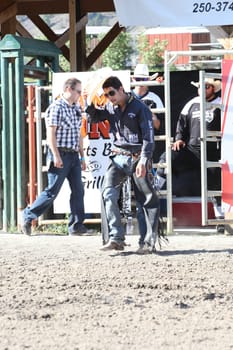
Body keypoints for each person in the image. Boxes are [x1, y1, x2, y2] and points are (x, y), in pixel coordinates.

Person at [86, 76, 160, 252]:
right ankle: (116, 238)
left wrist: (144, 160)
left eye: (111, 93)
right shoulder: (111, 107)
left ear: (121, 89)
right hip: (119, 156)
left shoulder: (140, 107)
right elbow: (94, 118)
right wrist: (89, 100)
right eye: (106, 94)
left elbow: (149, 137)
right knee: (108, 193)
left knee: (145, 200)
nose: (109, 97)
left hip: (137, 157)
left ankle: (147, 242)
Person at [21, 77, 87, 236]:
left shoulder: (75, 107)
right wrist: (56, 155)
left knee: (78, 190)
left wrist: (82, 157)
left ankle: (76, 226)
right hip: (61, 153)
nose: (80, 94)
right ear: (69, 89)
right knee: (52, 191)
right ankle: (28, 215)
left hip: (72, 155)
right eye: (78, 91)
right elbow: (51, 134)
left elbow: (78, 134)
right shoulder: (56, 107)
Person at [156, 78, 222, 202]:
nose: (202, 89)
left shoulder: (221, 104)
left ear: (213, 89)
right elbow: (181, 123)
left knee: (215, 185)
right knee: (168, 157)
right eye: (200, 86)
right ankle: (155, 189)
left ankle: (220, 218)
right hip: (192, 149)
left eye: (206, 86)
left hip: (213, 152)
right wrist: (179, 139)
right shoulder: (191, 103)